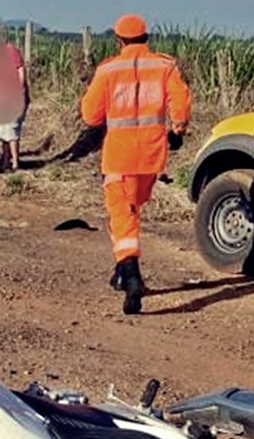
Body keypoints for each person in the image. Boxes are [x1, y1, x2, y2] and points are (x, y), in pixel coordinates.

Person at [80, 14, 192, 315]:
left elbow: (90, 115)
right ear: (146, 38)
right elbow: (181, 102)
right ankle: (121, 272)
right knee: (133, 207)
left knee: (121, 213)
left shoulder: (108, 69)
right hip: (152, 154)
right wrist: (178, 130)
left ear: (119, 40)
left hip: (119, 154)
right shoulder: (165, 66)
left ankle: (131, 274)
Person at [0, 39, 29, 171]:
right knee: (3, 132)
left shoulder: (11, 51)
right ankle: (5, 162)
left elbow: (21, 70)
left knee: (12, 131)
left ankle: (15, 164)